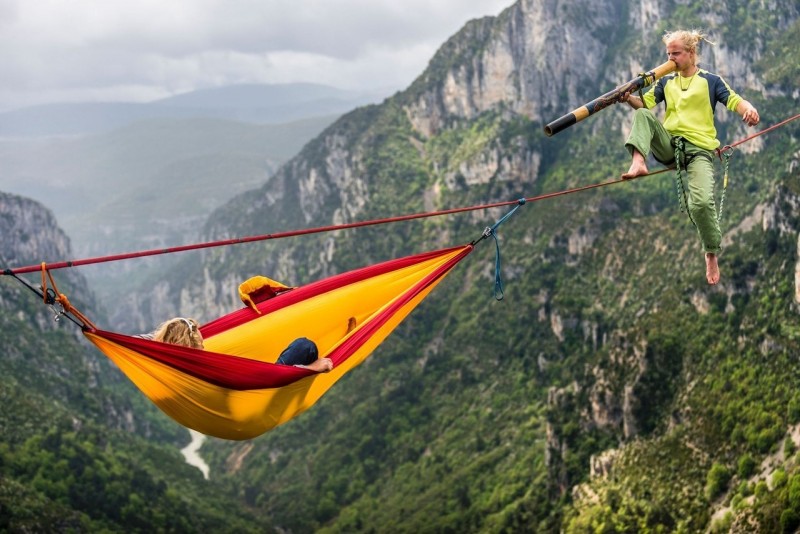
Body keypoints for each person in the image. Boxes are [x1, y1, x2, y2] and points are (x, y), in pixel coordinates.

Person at [619, 29, 760, 285]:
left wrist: (748, 109)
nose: (671, 58)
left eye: (676, 53)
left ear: (691, 53)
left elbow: (734, 100)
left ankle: (711, 250)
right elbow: (645, 105)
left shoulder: (711, 80)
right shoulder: (666, 81)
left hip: (700, 150)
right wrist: (627, 97)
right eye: (668, 54)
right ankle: (639, 162)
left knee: (702, 204)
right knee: (642, 117)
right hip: (670, 146)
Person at [142, 317, 333, 372]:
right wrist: (314, 367)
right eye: (201, 341)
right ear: (191, 343)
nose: (204, 342)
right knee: (304, 346)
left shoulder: (172, 368)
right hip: (258, 397)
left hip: (230, 410)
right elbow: (273, 380)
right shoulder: (202, 370)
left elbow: (144, 340)